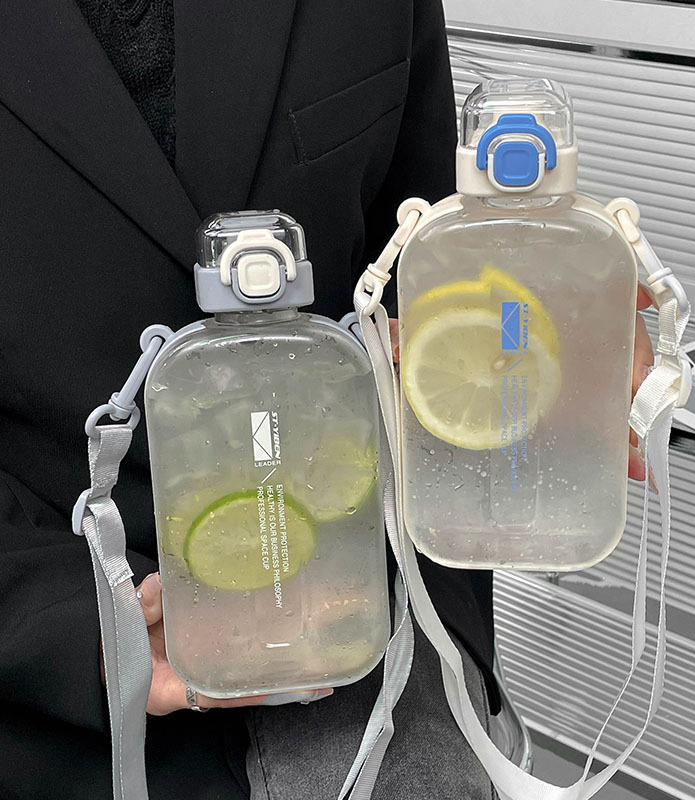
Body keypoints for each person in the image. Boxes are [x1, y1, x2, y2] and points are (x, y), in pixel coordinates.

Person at [0, 1, 654, 797]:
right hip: (63, 669)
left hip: (368, 628)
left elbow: (418, 258)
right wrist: (71, 630)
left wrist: (543, 317)